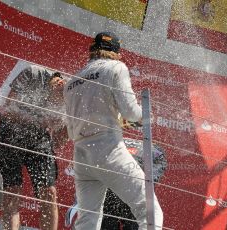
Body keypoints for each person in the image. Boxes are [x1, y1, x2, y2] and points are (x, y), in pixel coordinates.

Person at [63, 31, 164, 230]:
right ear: (117, 52)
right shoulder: (116, 68)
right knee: (150, 210)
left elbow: (71, 129)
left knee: (87, 221)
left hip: (81, 156)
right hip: (108, 149)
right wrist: (147, 116)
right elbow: (131, 112)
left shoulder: (71, 82)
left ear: (92, 50)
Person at [0, 67, 66, 230]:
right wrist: (37, 122)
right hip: (11, 134)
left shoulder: (70, 95)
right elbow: (8, 109)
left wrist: (54, 139)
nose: (57, 104)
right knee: (13, 191)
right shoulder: (32, 73)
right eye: (58, 99)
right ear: (56, 85)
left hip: (39, 141)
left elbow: (64, 133)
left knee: (49, 193)